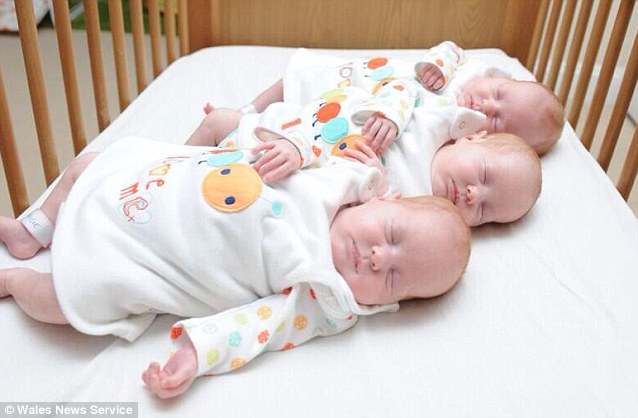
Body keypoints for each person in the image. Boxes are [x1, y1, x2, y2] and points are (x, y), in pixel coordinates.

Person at [0, 136, 471, 399]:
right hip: (163, 185)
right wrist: (295, 148)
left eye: (393, 279)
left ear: (387, 305)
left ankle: (17, 281)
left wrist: (195, 356)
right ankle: (33, 231)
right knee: (91, 164)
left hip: (152, 252)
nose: (378, 257)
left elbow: (259, 327)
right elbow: (304, 129)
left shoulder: (325, 295)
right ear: (386, 198)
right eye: (392, 235)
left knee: (66, 301)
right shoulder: (343, 176)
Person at [186, 104, 541, 227]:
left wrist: (378, 189)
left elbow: (366, 223)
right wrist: (390, 115)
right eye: (483, 175)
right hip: (297, 139)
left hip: (295, 184)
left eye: (485, 211)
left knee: (218, 199)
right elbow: (397, 90)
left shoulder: (422, 214)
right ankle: (166, 157)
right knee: (221, 122)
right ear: (473, 137)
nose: (473, 194)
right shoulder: (432, 122)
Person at [239, 41, 565, 155]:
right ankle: (247, 110)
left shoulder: (462, 130)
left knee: (303, 117)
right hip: (367, 77)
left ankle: (249, 125)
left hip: (361, 106)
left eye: (496, 120)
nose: (486, 105)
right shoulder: (471, 70)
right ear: (498, 80)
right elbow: (450, 48)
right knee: (300, 79)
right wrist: (438, 65)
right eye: (497, 94)